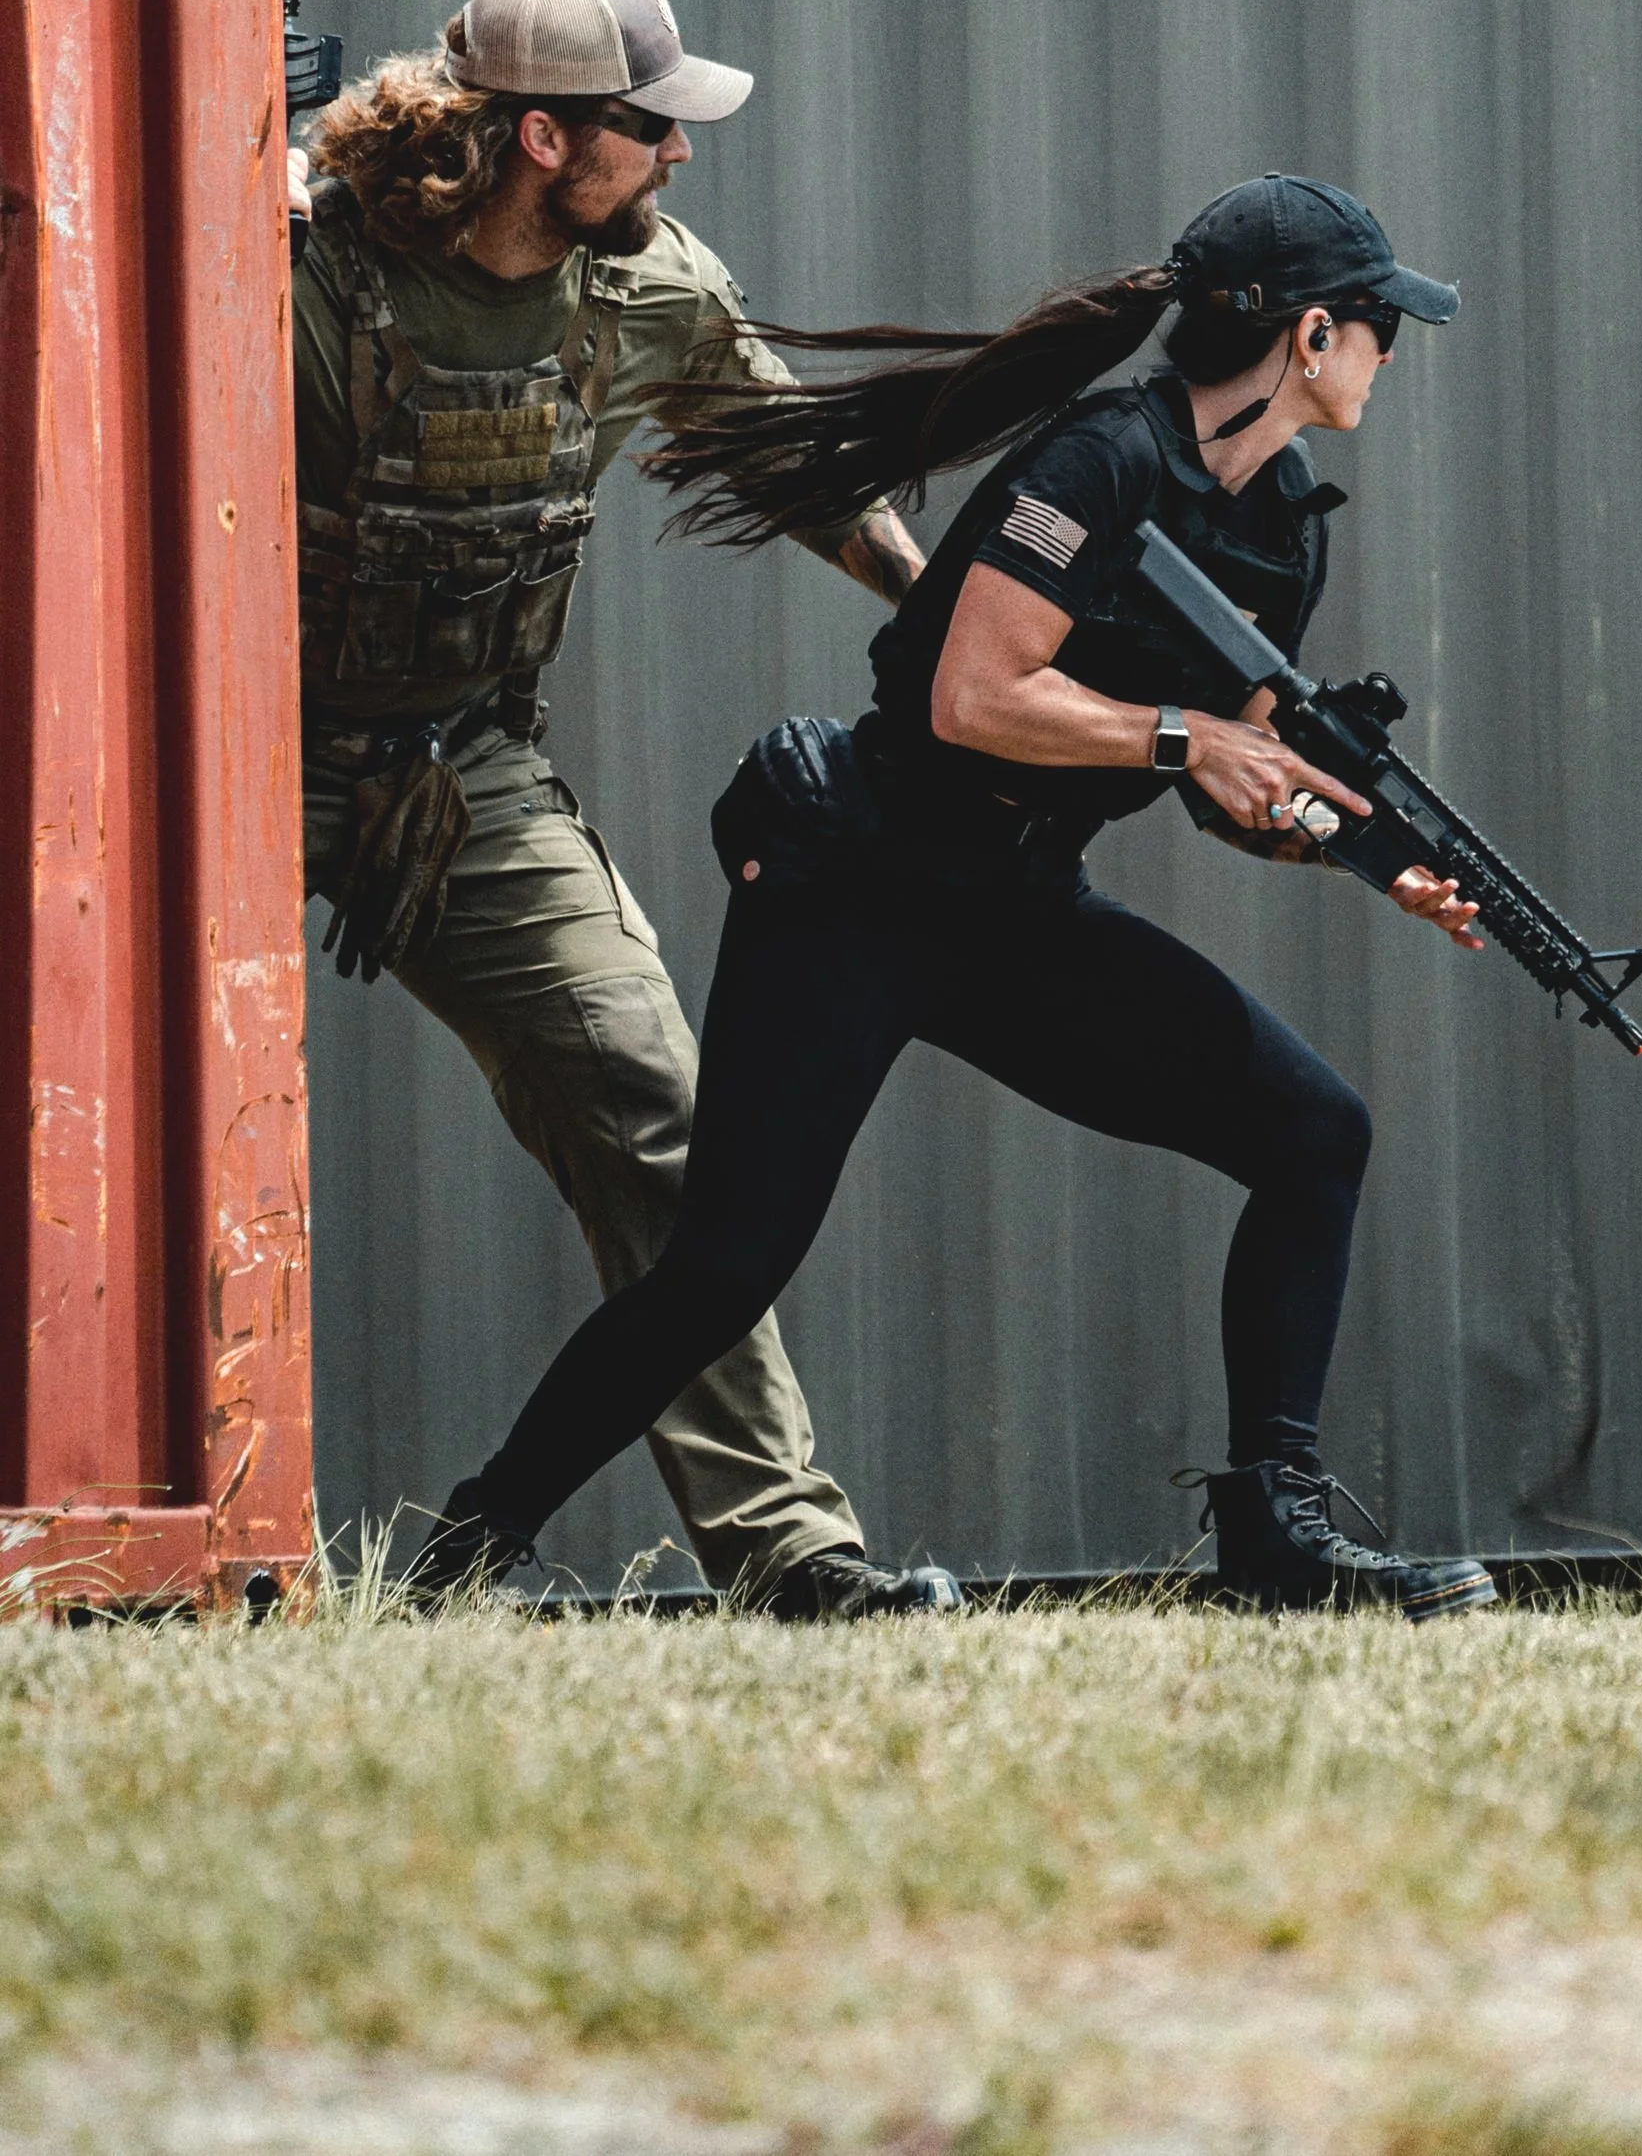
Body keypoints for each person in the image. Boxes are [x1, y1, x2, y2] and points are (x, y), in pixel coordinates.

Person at [411, 173, 1503, 1621]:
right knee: (728, 1259)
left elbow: (1216, 782)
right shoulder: (1102, 460)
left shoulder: (1283, 524)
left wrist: (1341, 844)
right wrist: (1191, 737)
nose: (1390, 349)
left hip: (1016, 903)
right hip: (860, 881)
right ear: (1310, 335)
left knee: (1315, 1133)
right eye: (1378, 324)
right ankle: (472, 1544)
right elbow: (974, 693)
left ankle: (1274, 1534)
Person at [294, 0, 959, 1619]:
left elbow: (791, 457)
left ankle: (791, 1552)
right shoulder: (297, 266)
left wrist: (951, 624)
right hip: (224, 766)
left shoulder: (646, 285)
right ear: (539, 137)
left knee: (664, 1113)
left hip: (459, 772)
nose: (679, 155)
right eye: (648, 127)